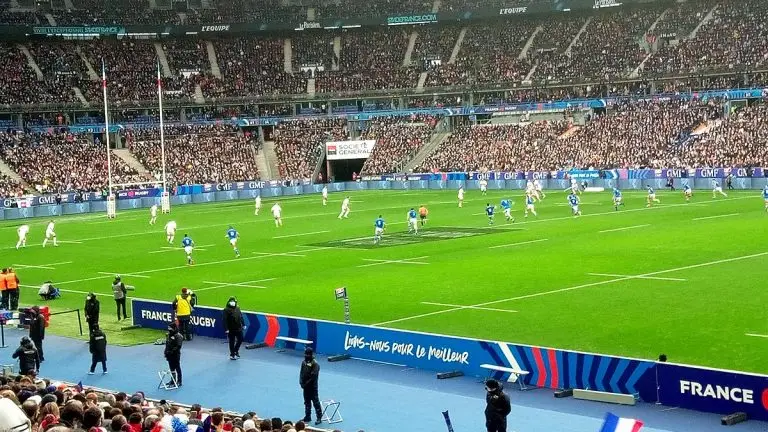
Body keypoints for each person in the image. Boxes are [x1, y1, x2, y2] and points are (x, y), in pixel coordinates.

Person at [299, 348, 322, 425]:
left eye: (307, 354)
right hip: (305, 387)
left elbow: (313, 377)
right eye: (305, 354)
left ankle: (319, 417)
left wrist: (306, 384)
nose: (306, 355)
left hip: (312, 387)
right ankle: (307, 416)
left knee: (315, 402)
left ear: (311, 355)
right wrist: (301, 383)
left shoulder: (315, 364)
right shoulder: (303, 362)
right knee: (307, 402)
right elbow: (301, 373)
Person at [164, 322, 183, 387]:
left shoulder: (179, 336)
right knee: (171, 368)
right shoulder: (169, 335)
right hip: (169, 355)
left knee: (177, 368)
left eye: (170, 328)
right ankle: (173, 381)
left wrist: (172, 351)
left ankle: (179, 381)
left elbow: (178, 346)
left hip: (175, 355)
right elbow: (167, 344)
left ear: (174, 328)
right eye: (168, 328)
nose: (169, 329)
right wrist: (166, 352)